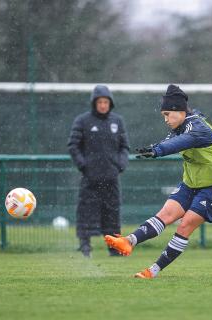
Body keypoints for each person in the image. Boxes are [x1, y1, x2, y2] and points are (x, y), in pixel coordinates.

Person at [104, 84, 212, 278]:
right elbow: (170, 140)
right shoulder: (180, 126)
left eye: (167, 114)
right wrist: (155, 148)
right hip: (190, 184)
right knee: (165, 215)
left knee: (185, 225)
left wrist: (158, 150)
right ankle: (129, 241)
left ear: (179, 111)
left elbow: (181, 142)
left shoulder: (199, 128)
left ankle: (153, 271)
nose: (165, 119)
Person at [68, 85, 129, 257]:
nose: (103, 105)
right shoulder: (82, 121)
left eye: (106, 102)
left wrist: (120, 164)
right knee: (86, 211)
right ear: (94, 103)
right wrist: (84, 165)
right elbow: (73, 146)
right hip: (90, 178)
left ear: (110, 103)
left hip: (111, 178)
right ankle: (85, 245)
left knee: (112, 213)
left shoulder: (117, 121)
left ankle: (114, 247)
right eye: (100, 102)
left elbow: (124, 147)